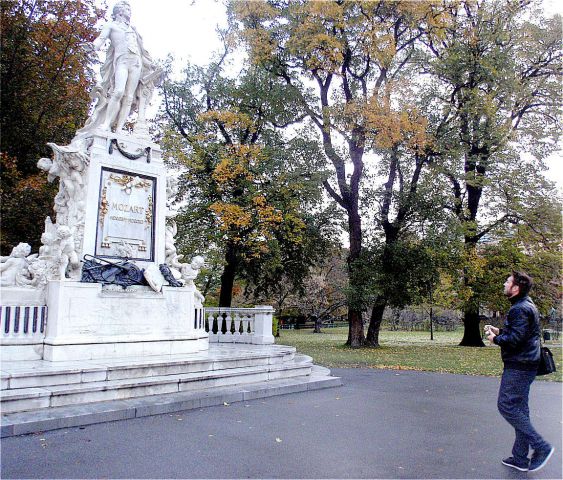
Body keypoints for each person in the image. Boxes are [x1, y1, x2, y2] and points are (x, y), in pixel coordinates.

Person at [485, 271, 554, 473]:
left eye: (508, 282)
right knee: (520, 409)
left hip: (519, 365)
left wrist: (494, 339)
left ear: (516, 288)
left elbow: (515, 340)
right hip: (526, 364)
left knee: (506, 405)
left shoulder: (520, 309)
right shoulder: (525, 305)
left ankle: (541, 446)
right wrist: (499, 332)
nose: (504, 284)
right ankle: (520, 458)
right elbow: (521, 333)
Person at [85, 1, 158, 133]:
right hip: (122, 62)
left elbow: (141, 50)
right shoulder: (111, 25)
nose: (130, 12)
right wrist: (93, 47)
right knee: (118, 92)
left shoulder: (133, 29)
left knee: (129, 97)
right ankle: (106, 124)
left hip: (136, 63)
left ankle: (119, 129)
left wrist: (149, 64)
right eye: (127, 9)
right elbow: (101, 39)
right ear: (119, 11)